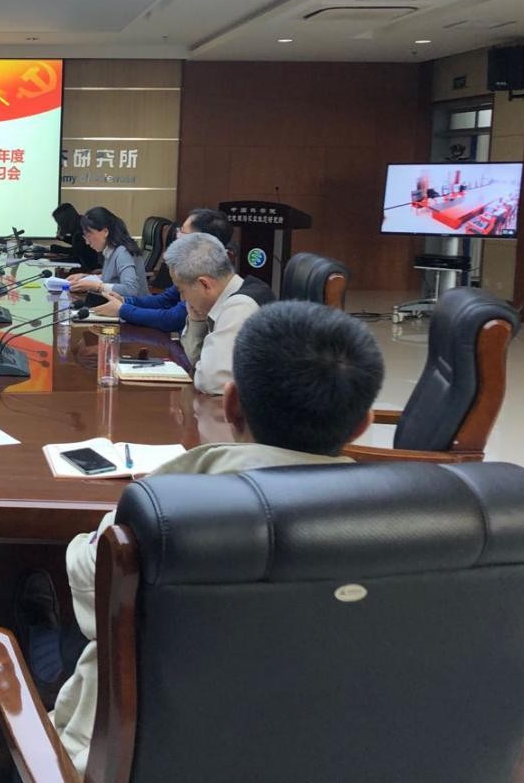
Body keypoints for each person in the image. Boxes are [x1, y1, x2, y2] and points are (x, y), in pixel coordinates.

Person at [23, 301, 385, 777]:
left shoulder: (163, 505)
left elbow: (91, 588)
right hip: (325, 753)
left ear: (231, 404)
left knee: (54, 620)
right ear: (362, 425)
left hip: (138, 758)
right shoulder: (413, 521)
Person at [166, 232, 274, 394]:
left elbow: (214, 382)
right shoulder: (230, 297)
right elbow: (196, 362)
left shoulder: (240, 306)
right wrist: (196, 321)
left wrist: (203, 368)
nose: (183, 299)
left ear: (205, 284)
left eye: (182, 290)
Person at [90, 208, 233, 330]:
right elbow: (164, 301)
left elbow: (173, 318)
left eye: (182, 232)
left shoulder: (207, 276)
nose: (177, 236)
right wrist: (124, 301)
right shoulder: (191, 268)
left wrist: (122, 310)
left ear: (202, 241)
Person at [65, 207, 149, 299]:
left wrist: (97, 286)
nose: (87, 242)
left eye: (89, 236)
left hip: (135, 306)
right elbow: (113, 278)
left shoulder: (123, 252)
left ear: (105, 232)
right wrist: (85, 277)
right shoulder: (110, 251)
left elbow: (131, 289)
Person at [48, 202, 102, 273]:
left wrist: (54, 248)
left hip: (93, 269)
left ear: (64, 221)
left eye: (59, 222)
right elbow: (80, 245)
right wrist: (64, 239)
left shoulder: (81, 230)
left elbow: (76, 251)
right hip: (89, 266)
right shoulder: (80, 223)